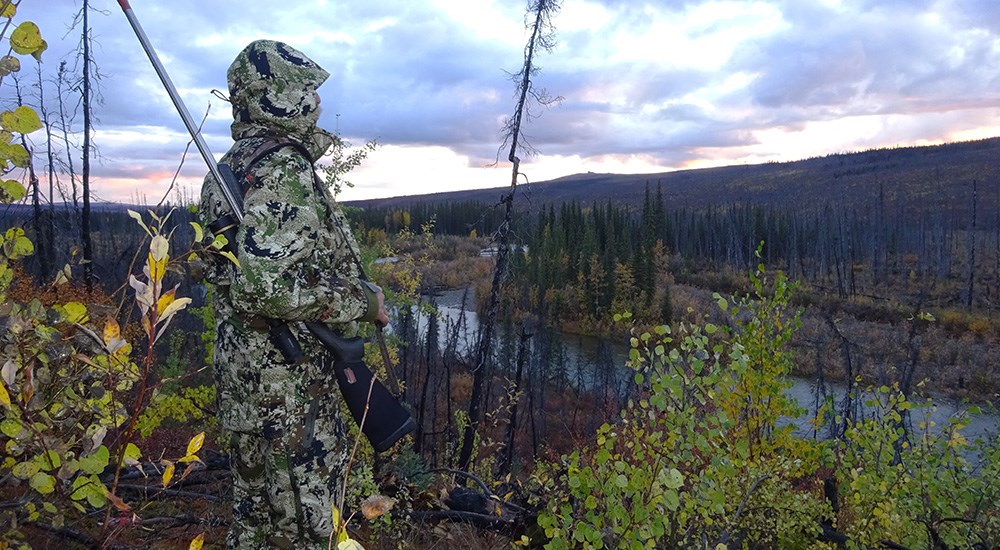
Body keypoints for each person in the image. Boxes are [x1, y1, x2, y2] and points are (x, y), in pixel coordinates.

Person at [199, 39, 388, 549]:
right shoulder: (284, 168)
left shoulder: (228, 168)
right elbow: (268, 286)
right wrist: (362, 301)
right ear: (277, 97)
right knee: (301, 529)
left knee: (254, 519)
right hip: (288, 390)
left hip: (246, 380)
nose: (317, 103)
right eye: (306, 90)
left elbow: (231, 273)